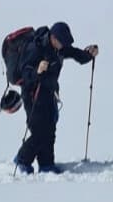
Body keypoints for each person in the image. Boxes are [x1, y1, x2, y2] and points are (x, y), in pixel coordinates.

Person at [13, 22, 99, 174]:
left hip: (48, 92)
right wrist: (37, 71)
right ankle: (22, 159)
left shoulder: (59, 47)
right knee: (40, 131)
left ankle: (46, 164)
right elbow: (25, 73)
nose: (63, 46)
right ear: (53, 37)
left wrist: (89, 54)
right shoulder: (37, 48)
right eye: (62, 42)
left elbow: (76, 54)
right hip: (33, 94)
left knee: (50, 130)